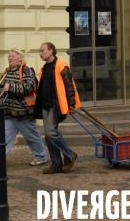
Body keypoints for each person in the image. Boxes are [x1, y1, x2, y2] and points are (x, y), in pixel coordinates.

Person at [0, 48, 47, 168]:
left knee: (32, 137)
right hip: (9, 112)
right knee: (3, 139)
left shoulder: (26, 70)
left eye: (13, 56)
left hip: (24, 113)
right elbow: (3, 88)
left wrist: (11, 88)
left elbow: (30, 87)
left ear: (20, 58)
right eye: (9, 56)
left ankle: (41, 156)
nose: (10, 58)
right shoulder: (6, 72)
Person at [34, 42, 81, 174]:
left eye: (42, 50)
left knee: (51, 132)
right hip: (45, 105)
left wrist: (71, 104)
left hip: (56, 106)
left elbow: (69, 86)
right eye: (40, 51)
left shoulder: (61, 65)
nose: (40, 53)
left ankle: (70, 154)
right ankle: (56, 163)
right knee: (49, 136)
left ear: (51, 51)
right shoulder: (44, 68)